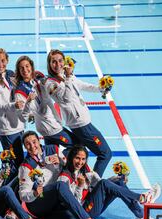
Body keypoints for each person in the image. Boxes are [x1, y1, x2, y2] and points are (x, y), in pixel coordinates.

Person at [18, 130, 113, 219]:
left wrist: (61, 161)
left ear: (38, 140)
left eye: (34, 142)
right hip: (39, 201)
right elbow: (23, 195)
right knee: (60, 185)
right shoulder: (25, 166)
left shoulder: (54, 149)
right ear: (24, 146)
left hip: (57, 197)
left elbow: (70, 165)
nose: (32, 146)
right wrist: (35, 193)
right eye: (28, 144)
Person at [58, 145, 161, 219]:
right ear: (71, 158)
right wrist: (80, 186)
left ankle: (141, 217)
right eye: (77, 158)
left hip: (94, 204)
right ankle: (141, 198)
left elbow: (100, 183)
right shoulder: (65, 177)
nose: (80, 162)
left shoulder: (84, 169)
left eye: (83, 159)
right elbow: (74, 204)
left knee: (118, 182)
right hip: (85, 212)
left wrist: (116, 179)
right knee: (104, 183)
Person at [45, 49, 112, 177]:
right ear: (49, 64)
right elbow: (67, 97)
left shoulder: (66, 76)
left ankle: (77, 179)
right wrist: (69, 77)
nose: (58, 64)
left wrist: (100, 88)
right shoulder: (50, 83)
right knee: (105, 154)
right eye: (54, 62)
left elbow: (82, 85)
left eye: (60, 60)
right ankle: (91, 184)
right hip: (80, 125)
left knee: (81, 151)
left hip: (84, 123)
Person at [14, 56, 78, 151]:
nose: (25, 70)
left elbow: (51, 85)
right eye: (21, 68)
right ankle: (66, 163)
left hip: (52, 122)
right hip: (50, 126)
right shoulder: (20, 92)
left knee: (53, 154)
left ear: (31, 66)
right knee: (77, 146)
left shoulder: (38, 75)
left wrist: (65, 73)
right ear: (18, 71)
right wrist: (28, 102)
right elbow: (22, 118)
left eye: (27, 66)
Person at [0, 48, 25, 179]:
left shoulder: (11, 74)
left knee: (20, 162)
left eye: (3, 60)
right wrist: (15, 105)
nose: (0, 64)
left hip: (19, 125)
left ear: (7, 61)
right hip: (7, 129)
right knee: (12, 166)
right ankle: (6, 193)